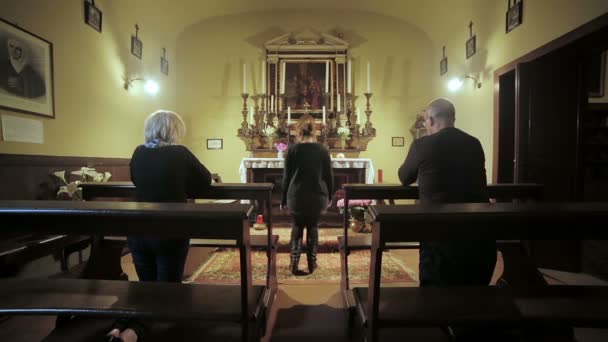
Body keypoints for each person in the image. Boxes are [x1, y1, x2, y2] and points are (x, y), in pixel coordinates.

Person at [106, 110, 212, 342]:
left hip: (138, 229)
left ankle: (118, 326)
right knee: (167, 292)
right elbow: (205, 182)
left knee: (146, 287)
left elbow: (136, 179)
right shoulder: (180, 153)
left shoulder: (138, 152)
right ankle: (134, 333)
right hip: (170, 230)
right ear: (173, 130)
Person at [398, 98, 496, 287]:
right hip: (478, 228)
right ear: (453, 118)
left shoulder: (422, 144)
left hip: (438, 232)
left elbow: (404, 177)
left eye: (425, 121)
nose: (425, 125)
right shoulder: (474, 143)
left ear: (431, 119)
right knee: (473, 290)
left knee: (435, 290)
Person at [281, 115, 333, 275]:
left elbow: (287, 177)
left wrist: (283, 199)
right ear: (314, 131)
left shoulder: (292, 150)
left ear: (298, 130)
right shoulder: (323, 150)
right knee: (312, 226)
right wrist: (330, 196)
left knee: (297, 226)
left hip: (296, 197)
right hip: (317, 197)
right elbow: (328, 176)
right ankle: (312, 263)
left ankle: (294, 263)